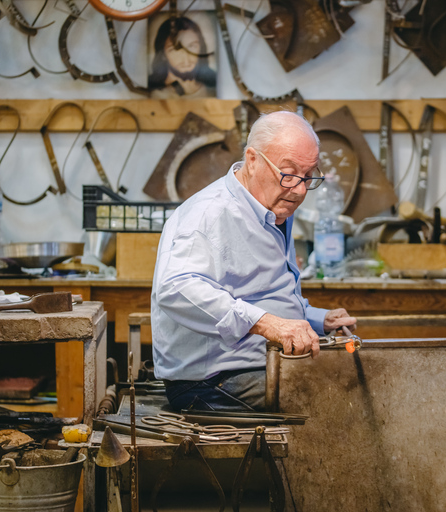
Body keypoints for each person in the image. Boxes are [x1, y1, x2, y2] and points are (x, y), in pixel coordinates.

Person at [151, 111, 357, 412]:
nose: (300, 189)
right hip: (211, 382)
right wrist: (267, 324)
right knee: (345, 400)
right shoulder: (209, 214)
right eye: (288, 174)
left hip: (257, 365)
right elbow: (175, 288)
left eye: (309, 175)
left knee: (362, 376)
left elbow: (259, 291)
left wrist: (313, 319)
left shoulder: (272, 207)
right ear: (252, 159)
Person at [148, 16, 216, 99]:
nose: (186, 60)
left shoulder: (213, 90)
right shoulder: (155, 94)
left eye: (192, 47)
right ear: (162, 54)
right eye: (175, 50)